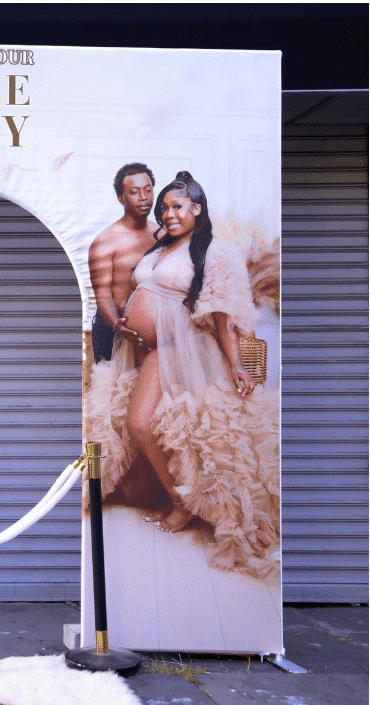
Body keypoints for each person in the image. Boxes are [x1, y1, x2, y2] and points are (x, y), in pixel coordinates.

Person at [85, 171, 279, 579]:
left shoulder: (216, 251)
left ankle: (183, 503)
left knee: (154, 424)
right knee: (144, 424)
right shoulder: (161, 246)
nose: (168, 214)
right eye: (165, 208)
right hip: (150, 348)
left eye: (177, 207)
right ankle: (178, 497)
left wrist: (237, 364)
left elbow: (222, 313)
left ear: (197, 208)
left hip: (183, 348)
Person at [88, 163, 159, 362]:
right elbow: (102, 294)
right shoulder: (105, 241)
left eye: (148, 190)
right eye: (134, 192)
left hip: (152, 326)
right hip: (112, 327)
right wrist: (117, 324)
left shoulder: (162, 235)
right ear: (121, 197)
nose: (143, 197)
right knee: (110, 380)